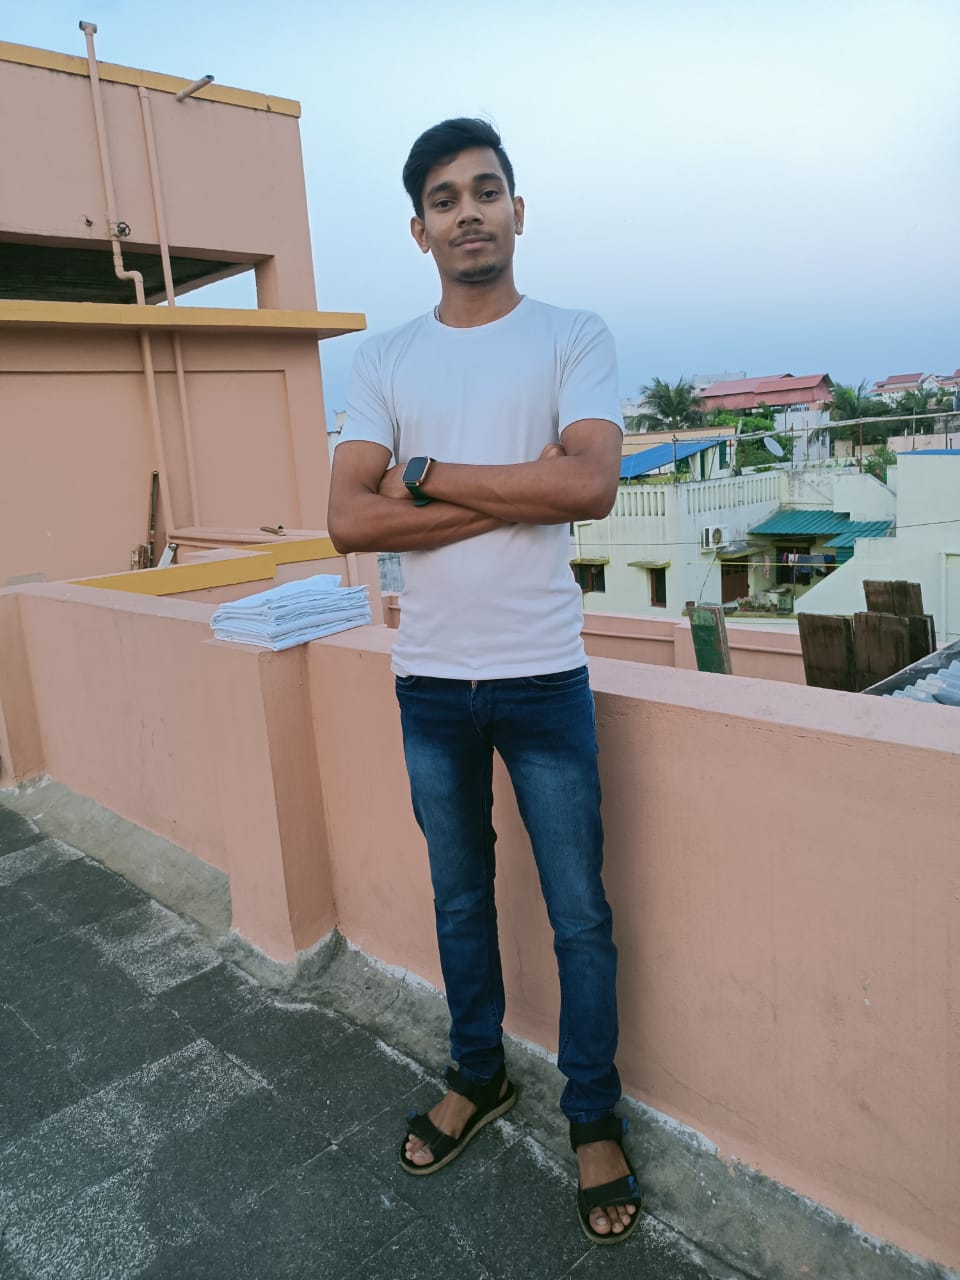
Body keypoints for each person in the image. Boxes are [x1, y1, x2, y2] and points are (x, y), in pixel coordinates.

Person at [328, 117, 640, 1244]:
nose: (469, 211)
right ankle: (479, 1072)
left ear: (517, 209)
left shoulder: (573, 336)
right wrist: (515, 490)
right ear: (420, 231)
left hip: (545, 676)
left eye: (486, 190)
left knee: (579, 913)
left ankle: (592, 1114)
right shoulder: (384, 359)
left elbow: (591, 485)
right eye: (446, 198)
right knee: (459, 900)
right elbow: (348, 519)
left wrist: (424, 478)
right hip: (430, 684)